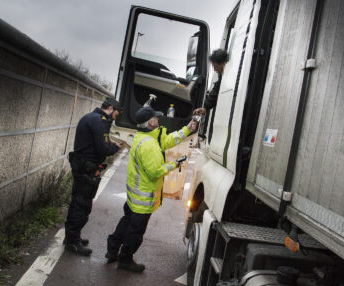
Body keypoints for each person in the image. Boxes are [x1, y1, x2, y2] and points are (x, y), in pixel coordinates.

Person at [106, 106, 197, 272]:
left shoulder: (146, 137)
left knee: (126, 221)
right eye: (156, 117)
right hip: (143, 199)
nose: (158, 119)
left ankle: (112, 250)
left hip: (134, 196)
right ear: (150, 123)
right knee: (135, 231)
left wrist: (187, 129)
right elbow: (155, 172)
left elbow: (169, 140)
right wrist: (174, 163)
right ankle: (125, 260)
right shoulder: (150, 146)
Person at [64, 97, 123, 256]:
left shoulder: (90, 117)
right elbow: (103, 148)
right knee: (82, 205)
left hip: (81, 166)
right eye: (116, 114)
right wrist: (115, 147)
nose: (115, 118)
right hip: (87, 169)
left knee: (76, 201)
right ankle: (73, 242)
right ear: (110, 108)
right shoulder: (100, 121)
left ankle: (70, 237)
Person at [193, 49, 229, 116]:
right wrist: (205, 108)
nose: (215, 70)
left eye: (216, 66)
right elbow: (215, 91)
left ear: (224, 64)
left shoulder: (232, 76)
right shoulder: (222, 77)